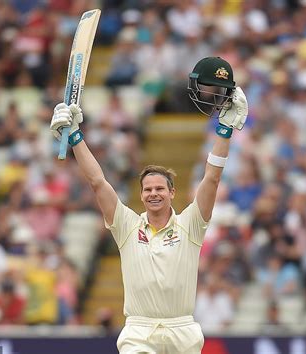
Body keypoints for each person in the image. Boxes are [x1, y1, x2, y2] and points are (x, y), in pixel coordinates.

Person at [50, 56, 248, 354]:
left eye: (160, 188)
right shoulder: (127, 226)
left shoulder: (190, 224)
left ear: (172, 193)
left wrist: (225, 131)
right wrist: (76, 138)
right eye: (147, 189)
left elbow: (211, 180)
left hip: (182, 330)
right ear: (141, 196)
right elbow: (98, 183)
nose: (153, 194)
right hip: (139, 331)